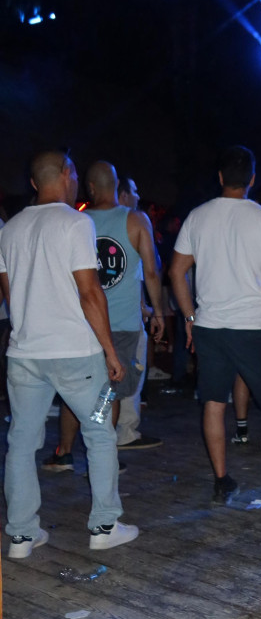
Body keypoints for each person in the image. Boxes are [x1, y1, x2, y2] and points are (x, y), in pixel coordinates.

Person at [0, 151, 138, 557]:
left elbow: (10, 293)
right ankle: (104, 526)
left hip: (25, 354)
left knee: (22, 442)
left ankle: (21, 535)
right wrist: (110, 351)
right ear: (67, 175)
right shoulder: (76, 222)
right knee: (99, 433)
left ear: (33, 182)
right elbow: (90, 291)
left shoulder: (9, 229)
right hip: (77, 355)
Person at [169, 145, 261, 506]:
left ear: (221, 177)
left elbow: (176, 272)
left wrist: (190, 318)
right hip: (253, 327)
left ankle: (222, 481)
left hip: (210, 327)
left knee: (213, 403)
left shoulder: (198, 217)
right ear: (252, 178)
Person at [42, 161, 165, 470]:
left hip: (82, 322)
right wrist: (158, 312)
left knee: (76, 392)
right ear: (116, 185)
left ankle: (64, 452)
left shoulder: (76, 220)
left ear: (91, 188)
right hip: (121, 324)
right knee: (110, 392)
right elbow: (151, 271)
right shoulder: (136, 220)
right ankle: (104, 457)